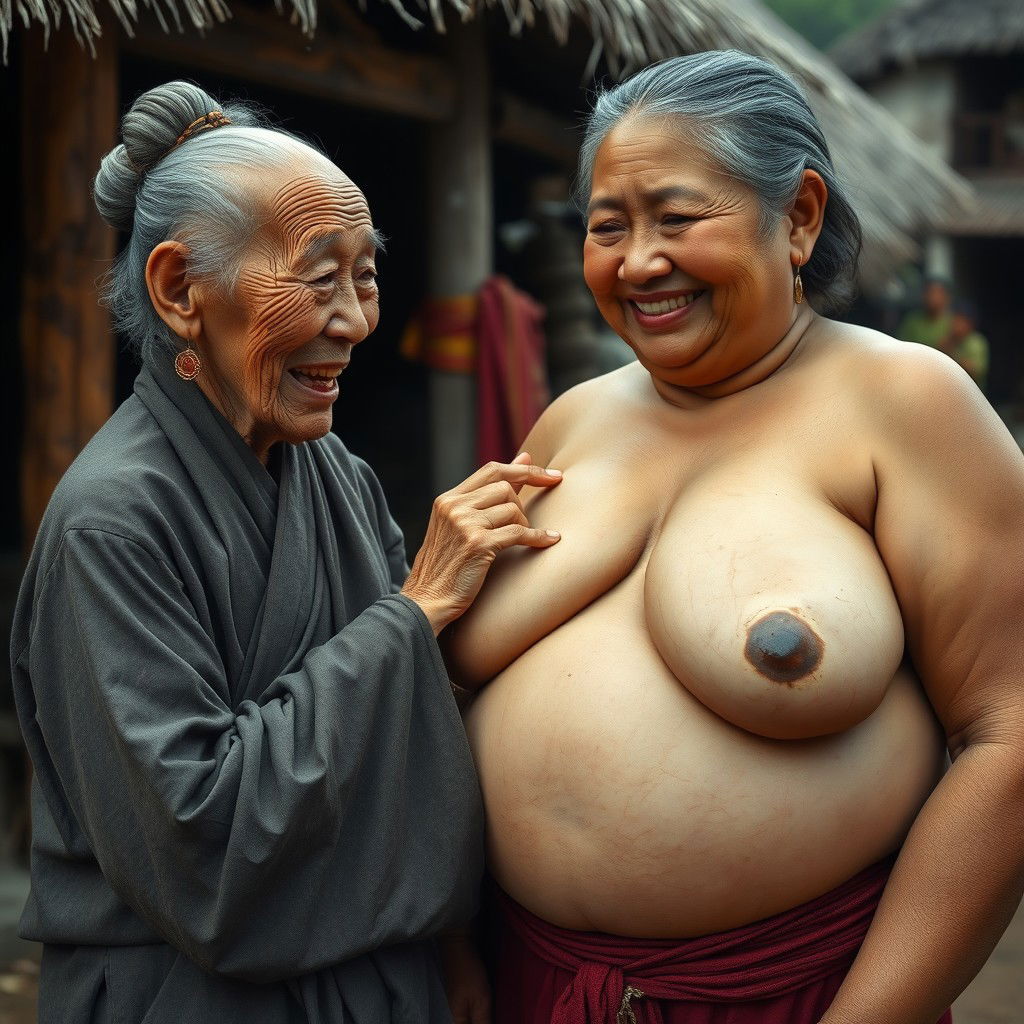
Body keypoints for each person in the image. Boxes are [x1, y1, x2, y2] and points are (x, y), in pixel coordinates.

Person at [443, 51, 1024, 1024]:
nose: (637, 262)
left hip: (787, 994)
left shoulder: (905, 403)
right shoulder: (572, 419)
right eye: (607, 227)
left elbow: (1008, 736)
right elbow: (448, 687)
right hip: (526, 981)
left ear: (798, 217)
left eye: (676, 219)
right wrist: (449, 937)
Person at [10, 81, 565, 1024]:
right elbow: (203, 851)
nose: (355, 320)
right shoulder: (111, 523)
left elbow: (410, 735)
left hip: (382, 980)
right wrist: (415, 609)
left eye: (365, 275)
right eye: (317, 280)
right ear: (181, 291)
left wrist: (451, 945)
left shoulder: (335, 475)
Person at [943, 299, 990, 392]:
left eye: (961, 320)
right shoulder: (950, 338)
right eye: (955, 319)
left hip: (972, 393)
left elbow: (975, 372)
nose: (956, 324)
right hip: (951, 391)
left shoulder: (976, 342)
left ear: (970, 323)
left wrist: (954, 357)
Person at [898, 276, 953, 349]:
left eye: (937, 293)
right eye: (929, 293)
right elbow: (901, 348)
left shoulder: (954, 322)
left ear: (947, 297)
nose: (933, 297)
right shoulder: (912, 321)